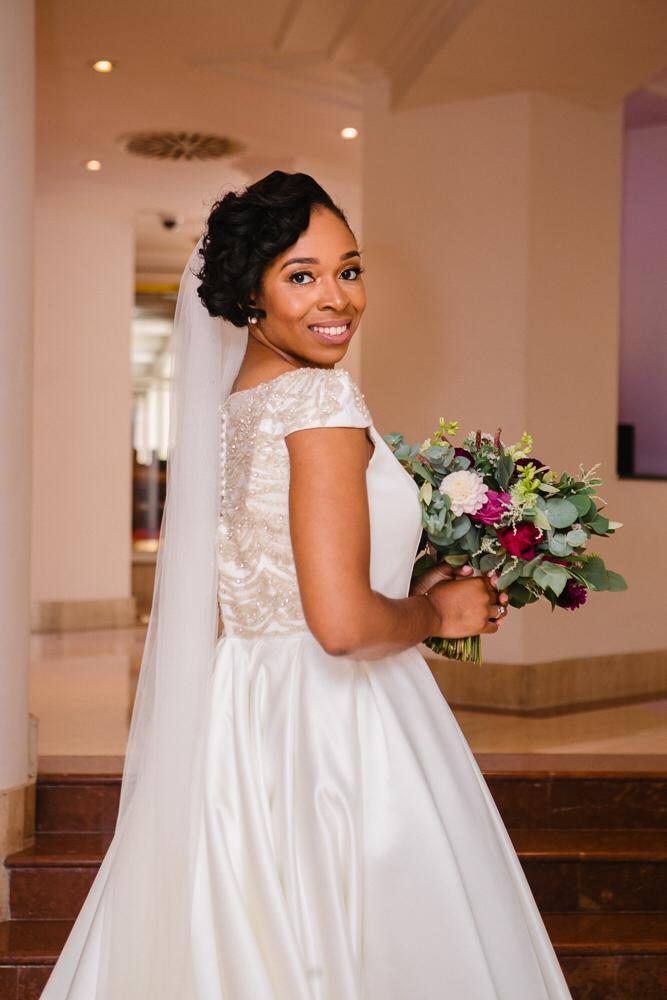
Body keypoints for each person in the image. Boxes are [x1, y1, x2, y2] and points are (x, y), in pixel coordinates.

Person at [42, 171, 571, 998]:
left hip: (242, 708)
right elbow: (343, 626)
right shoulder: (316, 400)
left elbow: (277, 570)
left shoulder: (233, 404)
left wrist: (416, 565)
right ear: (249, 292)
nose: (338, 299)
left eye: (349, 270)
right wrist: (437, 609)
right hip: (333, 726)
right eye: (301, 275)